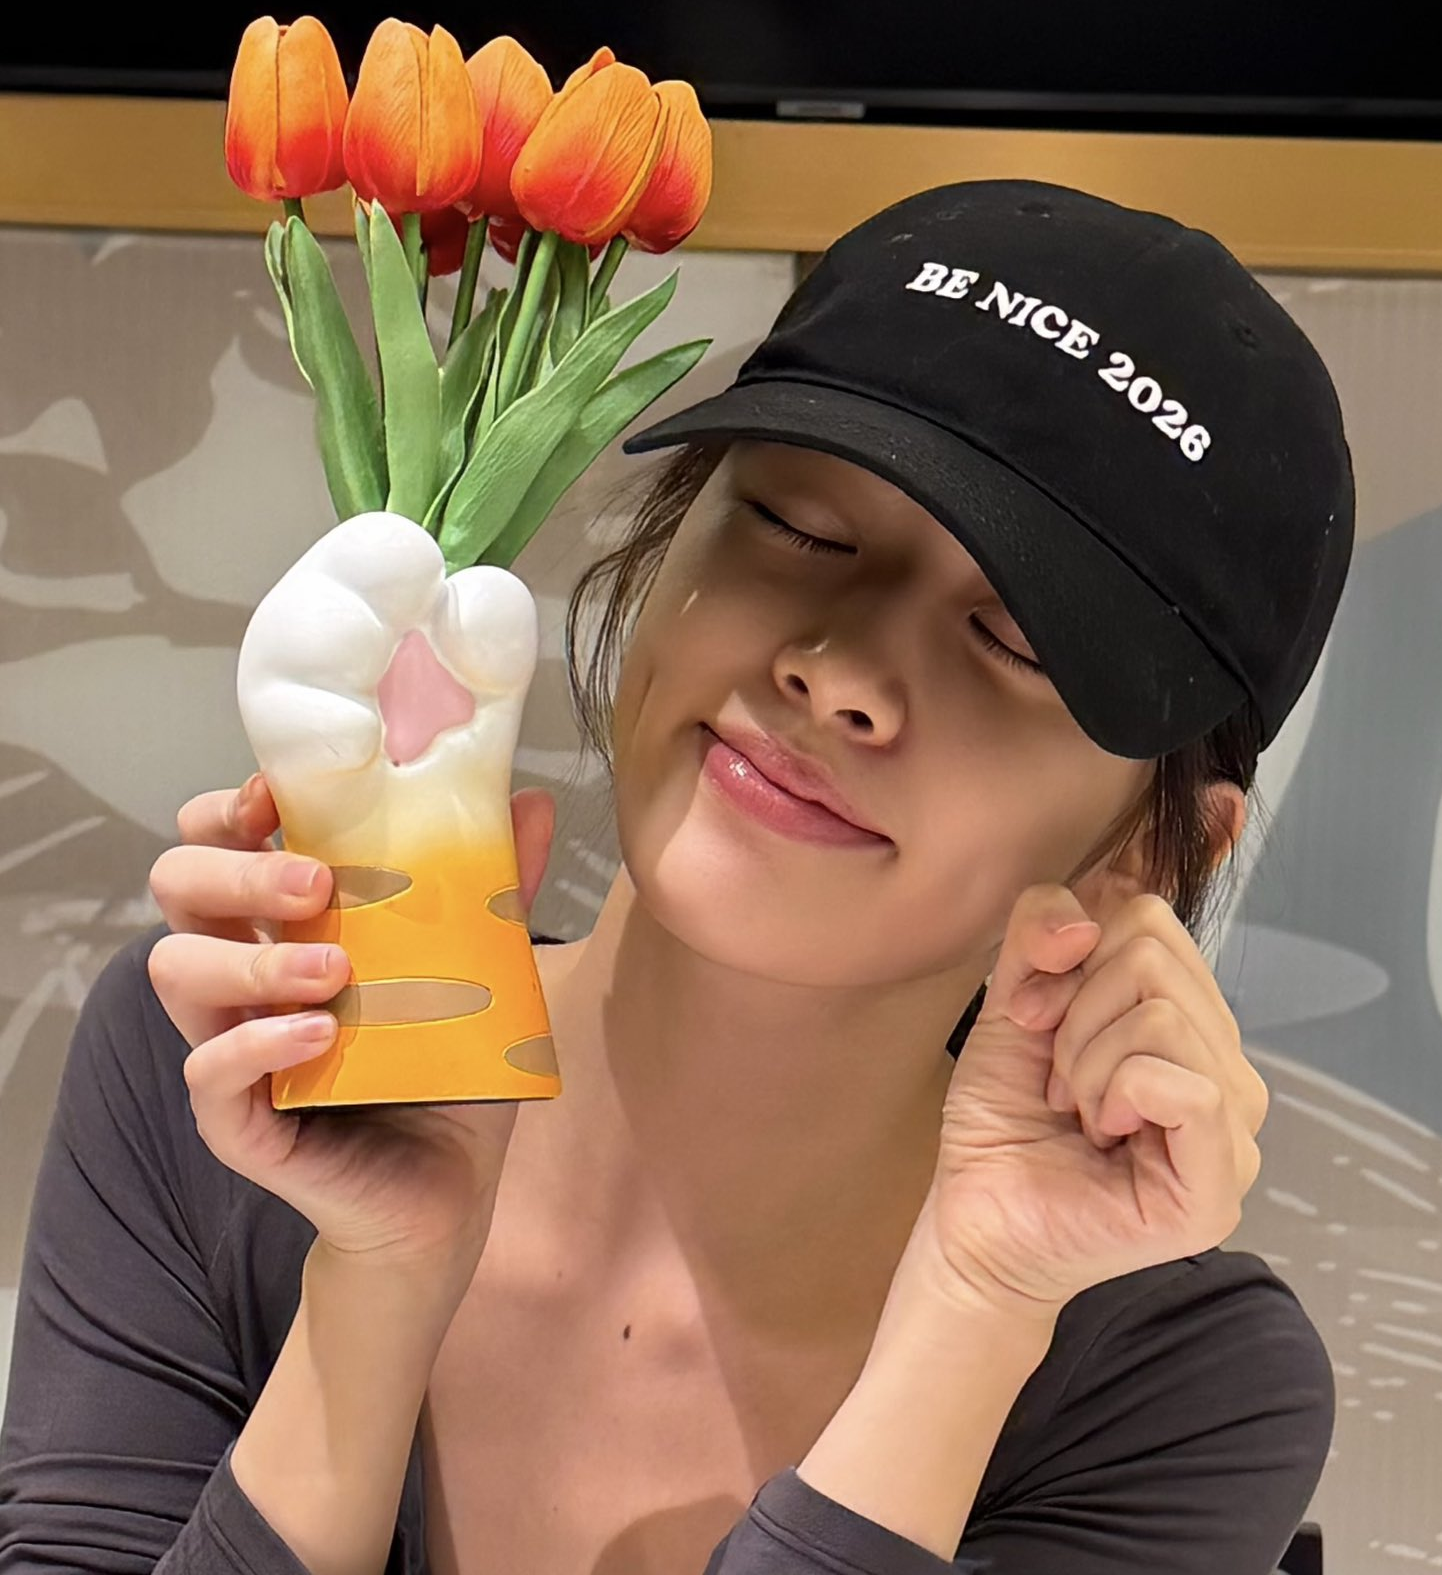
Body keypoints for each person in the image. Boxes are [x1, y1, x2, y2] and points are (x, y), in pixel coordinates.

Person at [0, 177, 1353, 1575]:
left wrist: (978, 1303)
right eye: (800, 529)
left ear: (1155, 847)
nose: (837, 670)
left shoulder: (1171, 1385)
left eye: (1014, 641)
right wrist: (378, 1282)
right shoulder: (239, 1072)